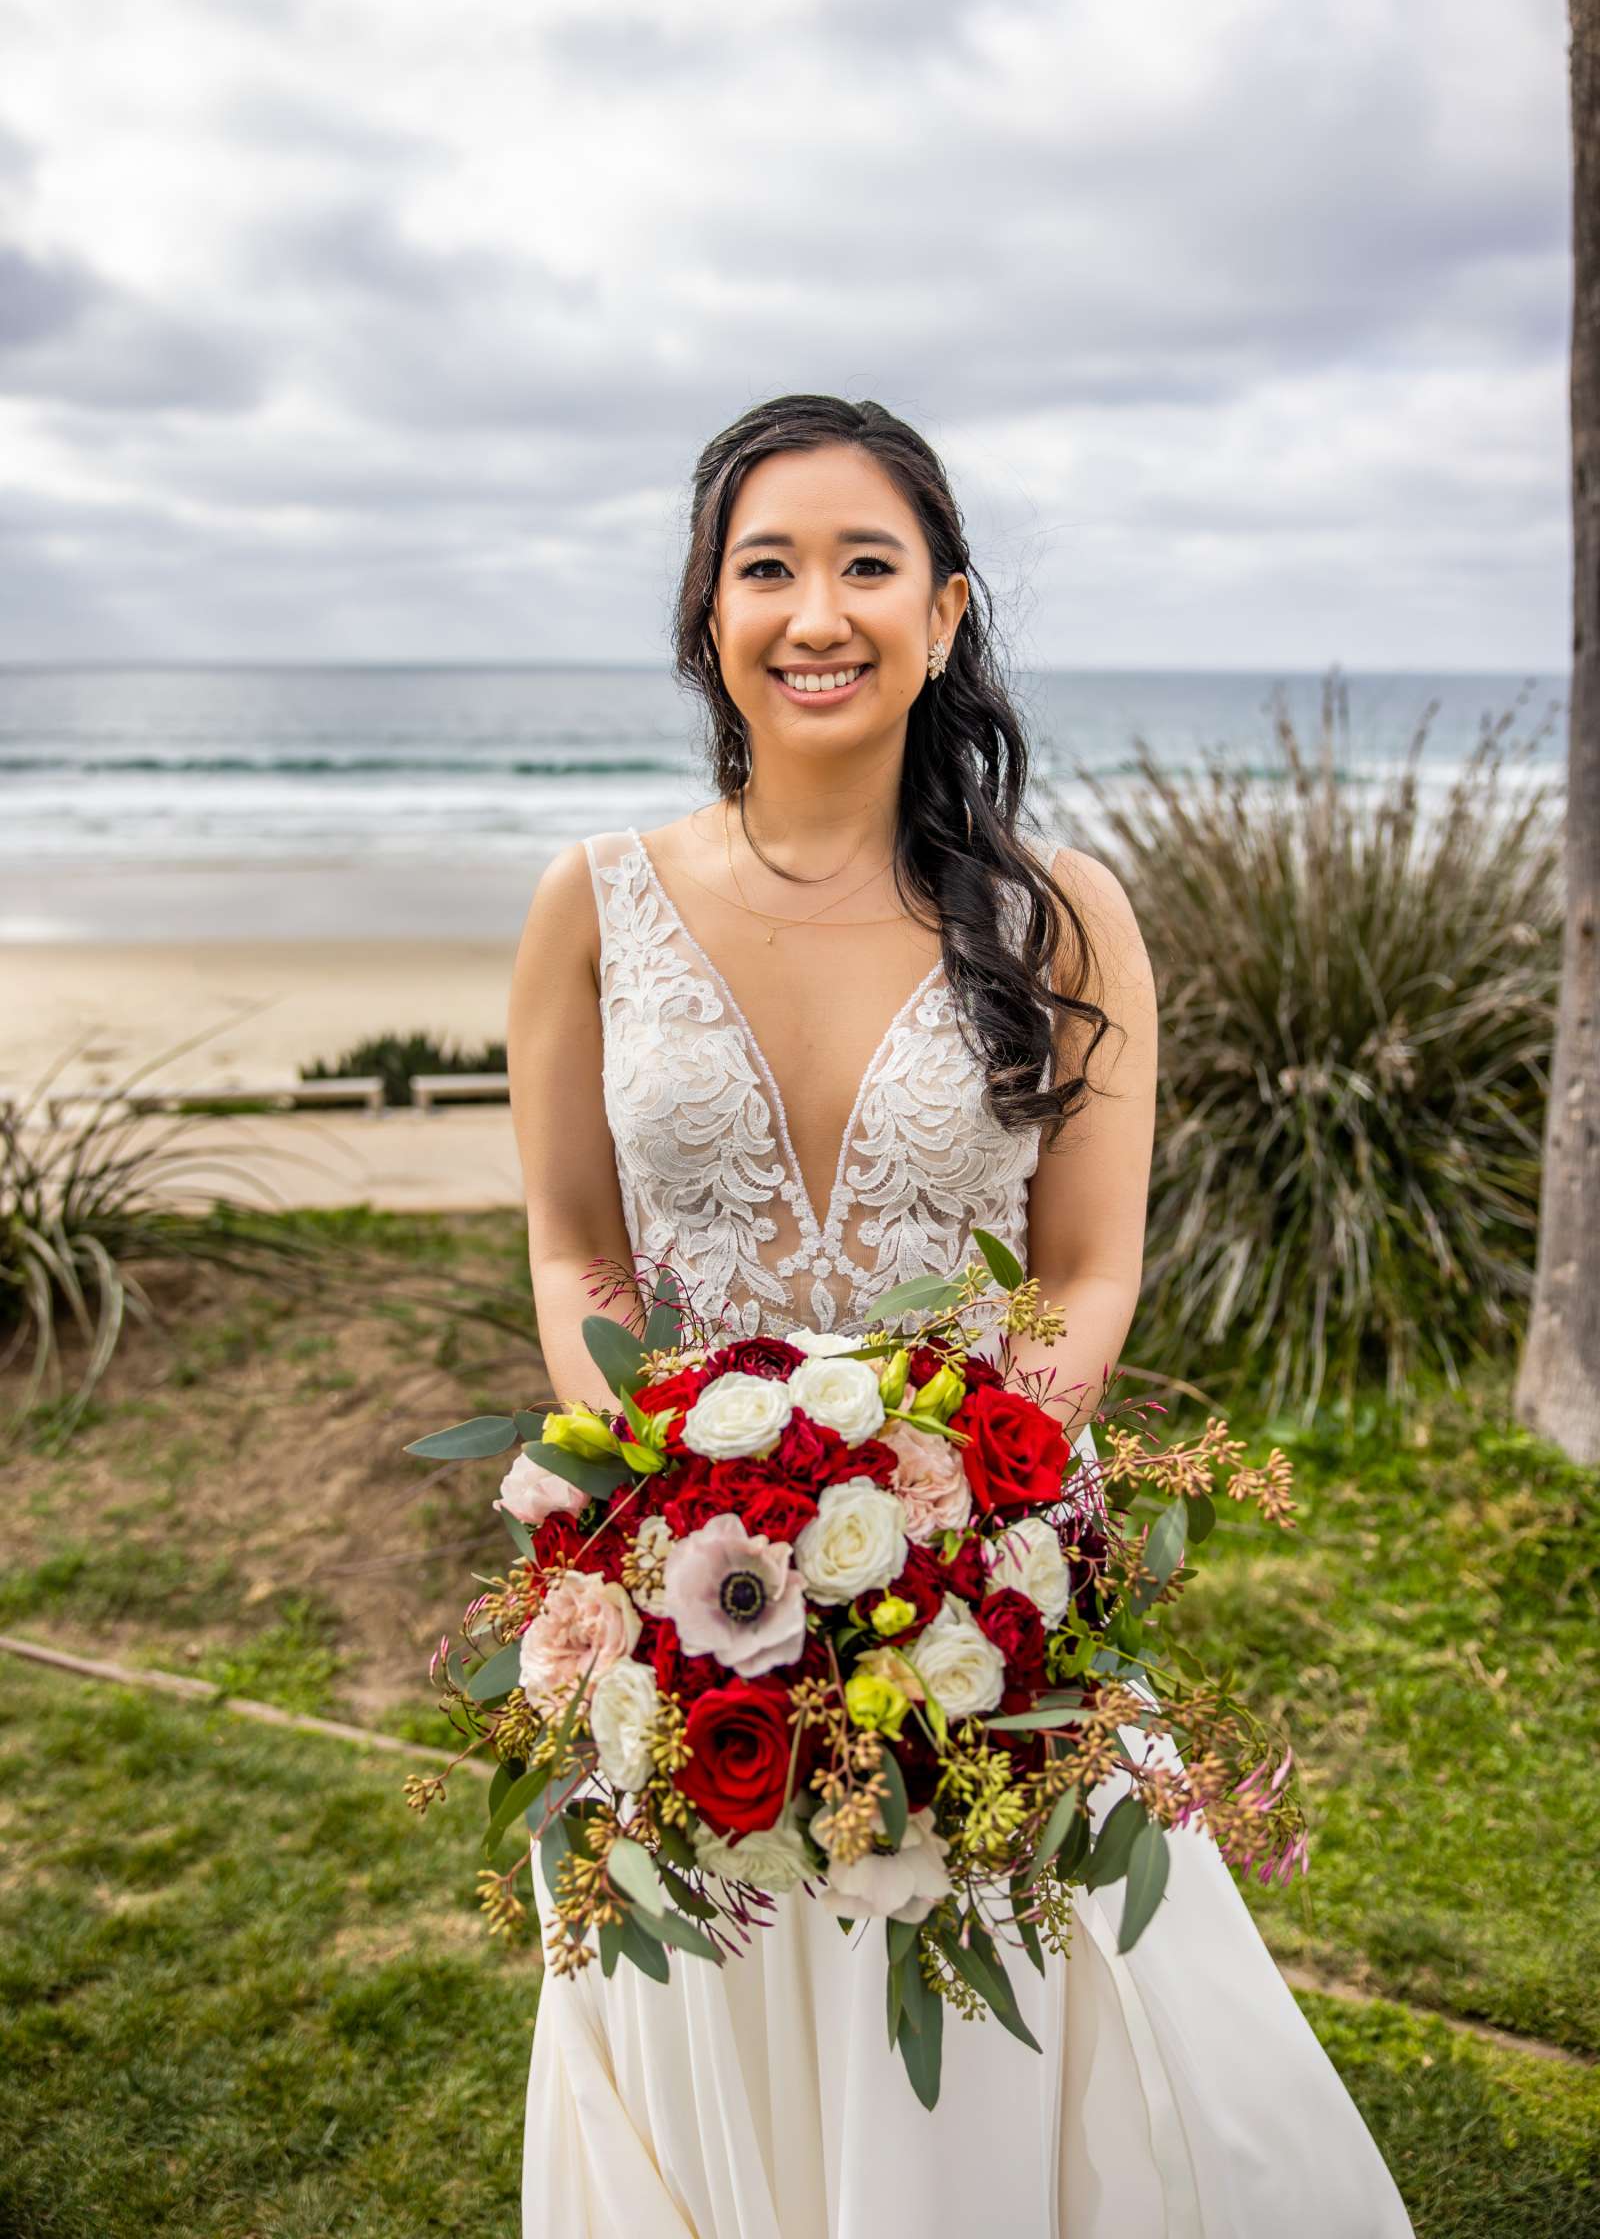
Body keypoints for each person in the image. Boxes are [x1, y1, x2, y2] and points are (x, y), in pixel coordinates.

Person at [506, 393, 1413, 2237]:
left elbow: (1084, 1271)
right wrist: (661, 1492)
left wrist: (969, 1514)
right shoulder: (590, 907)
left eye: (868, 565)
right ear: (706, 614)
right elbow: (573, 1245)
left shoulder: (1060, 915)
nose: (816, 611)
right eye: (767, 567)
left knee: (1004, 2091)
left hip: (990, 1617)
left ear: (949, 612)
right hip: (688, 1633)